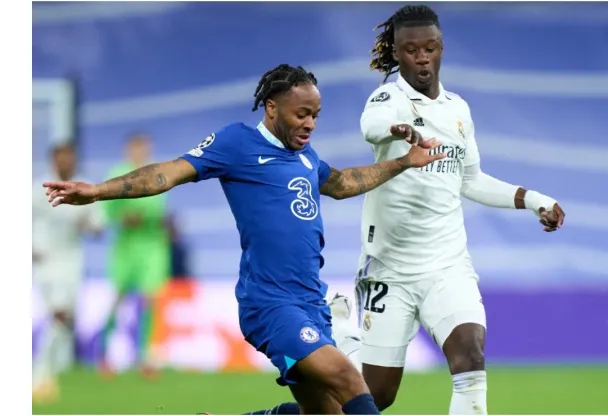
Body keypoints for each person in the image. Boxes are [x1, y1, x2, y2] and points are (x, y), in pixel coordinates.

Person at [43, 63, 444, 415]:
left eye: (315, 116)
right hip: (271, 304)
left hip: (311, 303)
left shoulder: (305, 156)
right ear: (272, 108)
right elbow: (167, 172)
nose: (310, 124)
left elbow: (342, 183)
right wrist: (98, 191)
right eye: (302, 114)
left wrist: (405, 162)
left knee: (325, 412)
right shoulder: (237, 143)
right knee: (347, 377)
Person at [350, 4, 567, 414]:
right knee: (376, 397)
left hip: (446, 266)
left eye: (429, 47)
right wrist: (399, 130)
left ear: (441, 48)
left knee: (470, 355)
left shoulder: (457, 110)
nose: (422, 57)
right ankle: (345, 340)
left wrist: (535, 200)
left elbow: (472, 181)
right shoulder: (388, 97)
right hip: (389, 270)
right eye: (411, 49)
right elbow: (370, 124)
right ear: (396, 53)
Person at [32, 143, 105, 403]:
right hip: (44, 261)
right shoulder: (38, 188)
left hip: (72, 263)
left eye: (70, 157)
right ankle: (39, 375)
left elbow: (99, 226)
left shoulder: (84, 187)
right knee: (59, 316)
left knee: (64, 319)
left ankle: (47, 374)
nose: (66, 162)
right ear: (53, 159)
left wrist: (88, 224)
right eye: (62, 157)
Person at [99, 133, 171, 379]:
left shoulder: (157, 174)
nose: (141, 152)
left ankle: (146, 357)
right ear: (129, 150)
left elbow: (159, 212)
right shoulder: (117, 173)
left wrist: (156, 222)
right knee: (118, 299)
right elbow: (107, 210)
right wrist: (122, 218)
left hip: (151, 247)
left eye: (145, 148)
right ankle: (105, 354)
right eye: (136, 148)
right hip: (125, 247)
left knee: (149, 300)